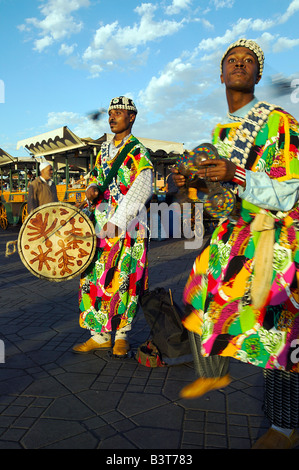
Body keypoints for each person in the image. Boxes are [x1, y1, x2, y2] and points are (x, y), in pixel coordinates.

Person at [174, 38, 299, 449]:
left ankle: (284, 428)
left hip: (274, 237)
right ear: (222, 73)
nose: (240, 64)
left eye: (249, 61)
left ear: (258, 75)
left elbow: (290, 188)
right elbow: (221, 196)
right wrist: (192, 181)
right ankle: (213, 372)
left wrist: (236, 173)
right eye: (233, 60)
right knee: (199, 296)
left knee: (280, 333)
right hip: (235, 237)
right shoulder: (221, 131)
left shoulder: (279, 121)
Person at [73, 96, 153, 358]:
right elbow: (94, 180)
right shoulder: (103, 151)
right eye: (110, 113)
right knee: (93, 278)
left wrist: (117, 222)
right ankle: (99, 335)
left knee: (124, 279)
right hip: (99, 227)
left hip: (127, 228)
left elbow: (143, 188)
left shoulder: (138, 151)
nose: (112, 117)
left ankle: (121, 335)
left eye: (118, 112)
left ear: (132, 117)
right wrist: (91, 189)